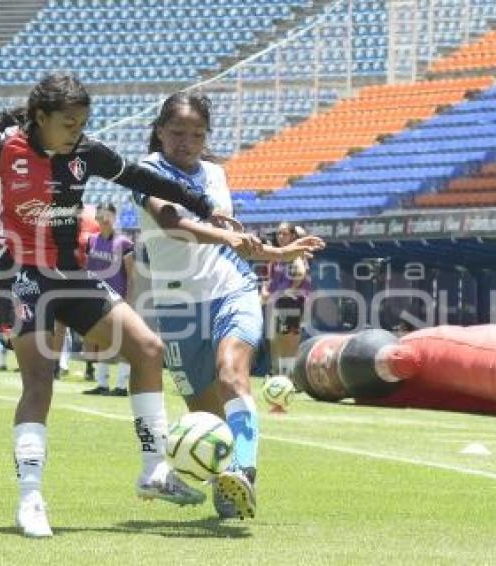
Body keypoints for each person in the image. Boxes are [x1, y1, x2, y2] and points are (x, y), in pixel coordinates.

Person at [0, 72, 226, 538]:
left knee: (148, 349)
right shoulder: (3, 148)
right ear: (41, 118)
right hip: (19, 274)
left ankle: (154, 470)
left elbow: (138, 175)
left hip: (73, 275)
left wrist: (200, 202)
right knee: (39, 380)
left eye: (82, 123)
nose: (78, 132)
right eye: (69, 124)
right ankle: (30, 499)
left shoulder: (86, 154)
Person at [136, 92, 324, 519]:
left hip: (231, 290)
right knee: (207, 417)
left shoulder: (216, 175)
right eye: (178, 132)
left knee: (232, 375)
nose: (187, 141)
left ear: (207, 137)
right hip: (178, 308)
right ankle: (224, 475)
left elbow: (232, 239)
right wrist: (230, 238)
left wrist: (273, 255)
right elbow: (172, 222)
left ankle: (244, 472)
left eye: (197, 134)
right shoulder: (144, 172)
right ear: (160, 131)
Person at [83, 203, 134, 396]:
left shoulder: (124, 243)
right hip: (96, 298)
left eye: (107, 216)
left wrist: (129, 300)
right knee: (102, 342)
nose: (103, 220)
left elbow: (131, 276)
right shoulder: (91, 241)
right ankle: (102, 384)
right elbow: (88, 269)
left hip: (118, 299)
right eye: (100, 216)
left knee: (122, 343)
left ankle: (121, 386)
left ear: (114, 217)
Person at [261, 221, 312, 377]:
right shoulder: (278, 255)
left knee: (288, 340)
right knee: (275, 340)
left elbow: (301, 271)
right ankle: (277, 373)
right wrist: (264, 292)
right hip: (278, 302)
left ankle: (288, 376)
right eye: (279, 233)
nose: (281, 236)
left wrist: (291, 290)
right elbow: (269, 279)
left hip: (291, 301)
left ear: (292, 236)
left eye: (285, 233)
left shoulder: (295, 253)